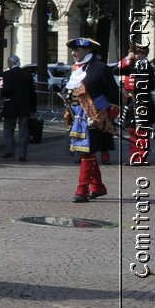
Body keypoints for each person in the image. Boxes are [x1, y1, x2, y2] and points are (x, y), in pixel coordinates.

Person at [65, 37, 118, 202]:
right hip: (78, 118)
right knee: (86, 152)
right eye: (73, 50)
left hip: (95, 116)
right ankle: (97, 186)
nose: (73, 53)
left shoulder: (100, 68)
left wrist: (106, 115)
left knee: (86, 152)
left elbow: (113, 95)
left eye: (77, 50)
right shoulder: (74, 69)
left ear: (88, 50)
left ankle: (82, 191)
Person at [114, 39, 153, 166]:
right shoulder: (131, 65)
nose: (134, 55)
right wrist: (127, 59)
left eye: (136, 53)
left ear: (142, 53)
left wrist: (130, 82)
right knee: (132, 131)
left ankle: (141, 158)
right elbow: (115, 70)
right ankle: (134, 156)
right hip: (132, 103)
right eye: (133, 52)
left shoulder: (147, 66)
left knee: (141, 131)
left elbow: (147, 83)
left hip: (143, 103)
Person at [0, 54, 35, 161]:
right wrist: (33, 109)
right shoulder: (27, 75)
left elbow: (6, 91)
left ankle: (10, 151)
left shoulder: (7, 74)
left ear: (10, 63)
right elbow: (32, 93)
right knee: (23, 131)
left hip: (11, 105)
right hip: (25, 106)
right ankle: (23, 154)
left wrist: (3, 97)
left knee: (8, 128)